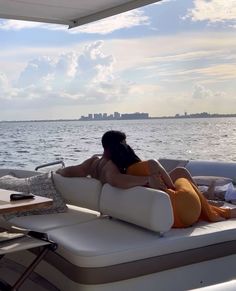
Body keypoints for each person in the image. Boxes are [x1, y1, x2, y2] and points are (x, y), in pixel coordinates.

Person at [57, 130, 236, 227]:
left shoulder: (93, 163)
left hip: (160, 212)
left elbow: (70, 171)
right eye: (124, 144)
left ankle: (209, 204)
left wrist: (56, 174)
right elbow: (114, 180)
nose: (127, 146)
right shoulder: (113, 166)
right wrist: (147, 181)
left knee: (180, 172)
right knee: (181, 174)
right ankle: (211, 207)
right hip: (182, 211)